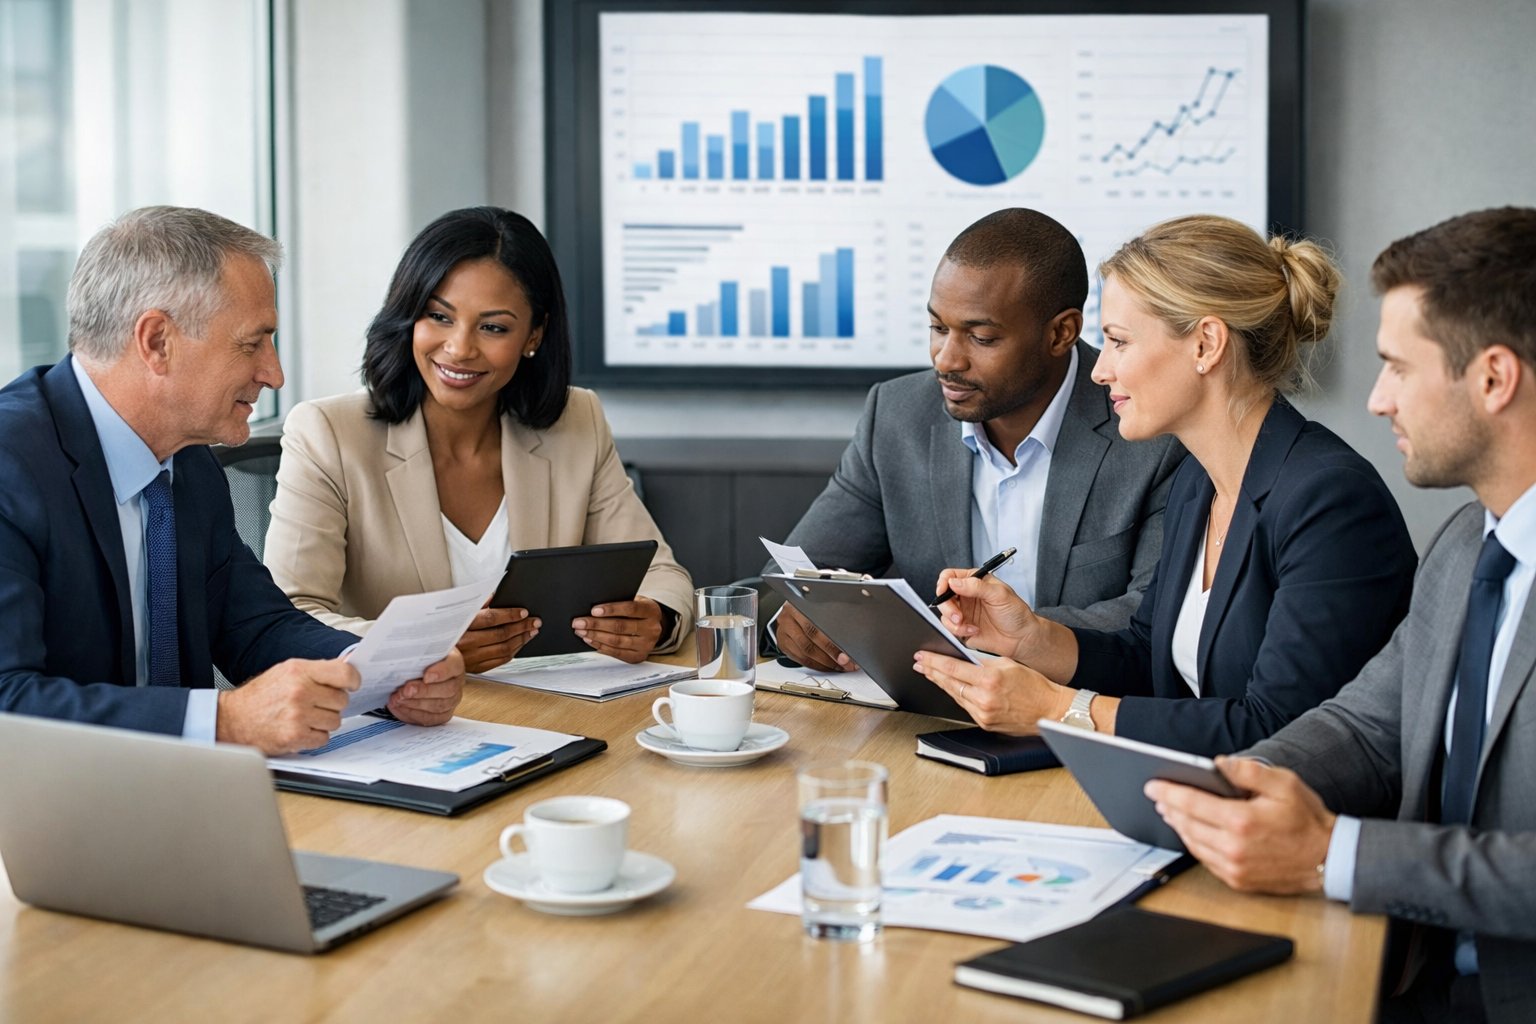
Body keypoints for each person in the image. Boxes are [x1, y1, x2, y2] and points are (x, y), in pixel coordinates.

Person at [1145, 208, 1536, 1023]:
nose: (1377, 398)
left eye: (1397, 367)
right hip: (1414, 973)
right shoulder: (1469, 542)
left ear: (1493, 379)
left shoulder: (1342, 495)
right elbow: (1367, 725)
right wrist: (1233, 786)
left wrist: (1334, 853)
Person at [914, 215, 1417, 755]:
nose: (1099, 370)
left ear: (1205, 344)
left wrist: (1055, 710)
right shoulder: (1200, 482)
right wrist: (1032, 640)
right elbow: (1148, 654)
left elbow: (1279, 730)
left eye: (1118, 342)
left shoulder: (1331, 502)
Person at [0, 206, 465, 754]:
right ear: (157, 341)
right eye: (252, 343)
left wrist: (384, 675)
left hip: (189, 799)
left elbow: (256, 626)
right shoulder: (13, 464)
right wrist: (224, 721)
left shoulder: (187, 457)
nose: (274, 373)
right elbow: (10, 701)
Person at [265, 207, 693, 672]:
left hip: (547, 709)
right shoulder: (327, 433)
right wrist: (429, 646)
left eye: (493, 327)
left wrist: (656, 619)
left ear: (534, 334)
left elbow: (662, 575)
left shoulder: (575, 421)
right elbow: (290, 619)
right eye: (438, 316)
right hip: (401, 720)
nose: (460, 348)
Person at [770, 208, 1185, 672]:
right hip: (925, 712)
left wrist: (988, 641)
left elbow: (1150, 618)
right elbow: (796, 576)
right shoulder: (896, 415)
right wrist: (798, 620)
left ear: (1061, 333)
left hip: (1075, 713)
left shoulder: (1150, 428)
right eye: (938, 328)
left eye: (982, 337)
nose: (946, 360)